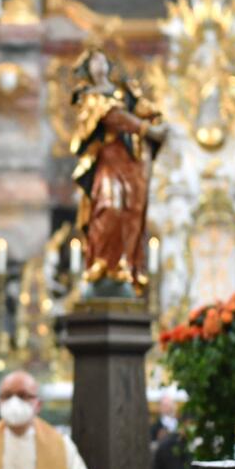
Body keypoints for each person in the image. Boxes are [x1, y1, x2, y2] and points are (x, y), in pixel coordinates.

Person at [69, 49, 168, 291]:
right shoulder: (88, 96)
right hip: (107, 159)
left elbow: (147, 111)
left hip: (130, 161)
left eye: (103, 59)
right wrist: (146, 129)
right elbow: (110, 116)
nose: (99, 65)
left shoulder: (124, 91)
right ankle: (102, 262)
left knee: (130, 212)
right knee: (109, 207)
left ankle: (125, 265)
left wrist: (156, 122)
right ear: (87, 68)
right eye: (94, 61)